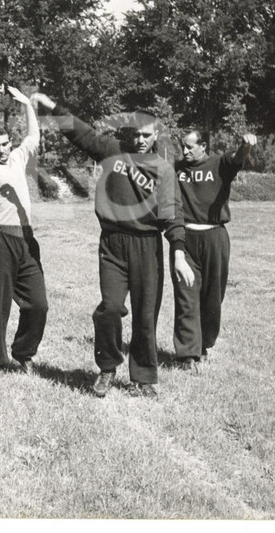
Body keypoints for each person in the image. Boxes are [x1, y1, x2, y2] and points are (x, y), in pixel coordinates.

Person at [31, 92, 195, 398]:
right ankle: (107, 368)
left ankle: (143, 378)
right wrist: (52, 106)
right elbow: (79, 132)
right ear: (129, 132)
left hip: (147, 245)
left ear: (156, 134)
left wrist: (179, 254)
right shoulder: (111, 151)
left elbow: (173, 216)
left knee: (146, 314)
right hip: (113, 244)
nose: (141, 140)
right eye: (137, 134)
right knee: (109, 309)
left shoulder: (164, 170)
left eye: (148, 135)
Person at [0, 85, 47, 374]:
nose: (3, 149)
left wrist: (26, 104)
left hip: (26, 240)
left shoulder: (16, 158)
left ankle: (23, 351)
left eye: (5, 144)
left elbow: (33, 136)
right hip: (0, 239)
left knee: (38, 304)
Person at [172, 130, 256, 369]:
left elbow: (237, 158)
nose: (185, 151)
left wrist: (246, 146)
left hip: (215, 236)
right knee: (186, 295)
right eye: (183, 147)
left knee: (212, 297)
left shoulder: (219, 164)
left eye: (190, 147)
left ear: (203, 145)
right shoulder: (176, 169)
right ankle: (187, 354)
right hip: (185, 237)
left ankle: (204, 344)